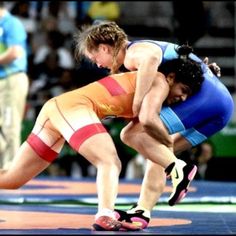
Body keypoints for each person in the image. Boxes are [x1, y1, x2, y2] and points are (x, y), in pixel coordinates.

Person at [0, 50, 204, 231]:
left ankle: (108, 211)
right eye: (183, 90)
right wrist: (173, 160)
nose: (183, 99)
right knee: (110, 161)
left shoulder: (150, 85)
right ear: (171, 77)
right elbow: (148, 120)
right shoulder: (159, 81)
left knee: (12, 180)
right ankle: (105, 214)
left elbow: (142, 130)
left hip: (57, 109)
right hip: (73, 108)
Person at [74, 21, 234, 228]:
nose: (97, 64)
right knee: (157, 151)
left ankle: (180, 169)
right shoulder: (137, 58)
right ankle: (143, 211)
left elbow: (150, 59)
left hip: (207, 99)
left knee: (132, 135)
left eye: (95, 58)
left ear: (105, 48)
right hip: (220, 108)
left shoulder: (133, 53)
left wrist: (138, 102)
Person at [0, 2, 29, 169]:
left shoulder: (11, 23)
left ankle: (10, 170)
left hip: (11, 79)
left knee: (10, 125)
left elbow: (15, 52)